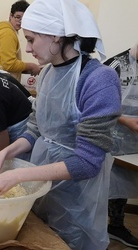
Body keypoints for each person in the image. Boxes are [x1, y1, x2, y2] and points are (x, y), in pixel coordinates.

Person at [0, 0, 121, 249]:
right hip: (41, 181)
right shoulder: (47, 74)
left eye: (31, 39)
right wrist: (5, 153)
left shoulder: (99, 79)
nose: (27, 48)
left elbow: (87, 162)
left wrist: (19, 175)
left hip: (78, 195)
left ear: (57, 36)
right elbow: (37, 129)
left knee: (69, 242)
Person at [103, 42, 138, 248]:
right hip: (111, 136)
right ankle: (98, 227)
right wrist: (125, 120)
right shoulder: (115, 65)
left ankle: (116, 225)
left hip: (132, 142)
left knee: (124, 184)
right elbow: (96, 102)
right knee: (105, 184)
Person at [0, 0, 41, 82]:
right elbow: (9, 65)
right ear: (10, 15)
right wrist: (31, 66)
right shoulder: (7, 33)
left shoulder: (6, 30)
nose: (20, 21)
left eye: (24, 18)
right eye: (18, 17)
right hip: (1, 82)